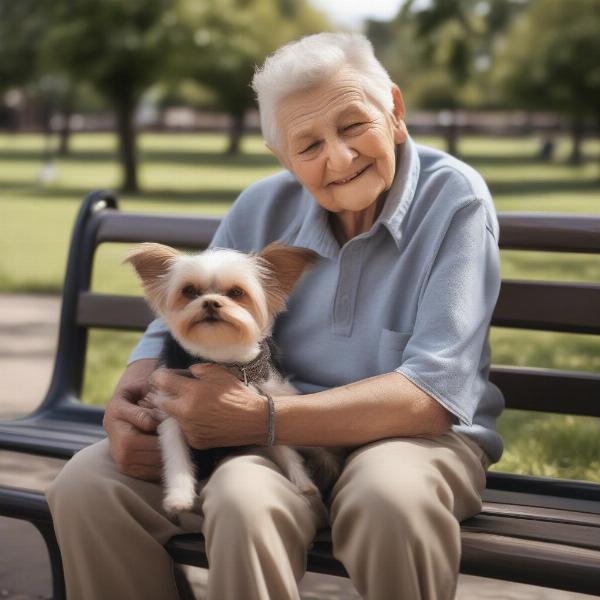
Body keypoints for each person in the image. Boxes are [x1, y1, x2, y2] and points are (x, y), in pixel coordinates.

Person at [47, 32, 504, 600]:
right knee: (89, 485)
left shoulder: (454, 198)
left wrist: (259, 420)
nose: (338, 157)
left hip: (409, 438)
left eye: (354, 125)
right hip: (263, 434)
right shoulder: (260, 205)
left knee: (390, 496)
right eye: (307, 146)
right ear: (284, 158)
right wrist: (129, 403)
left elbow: (432, 396)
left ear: (396, 110)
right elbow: (172, 317)